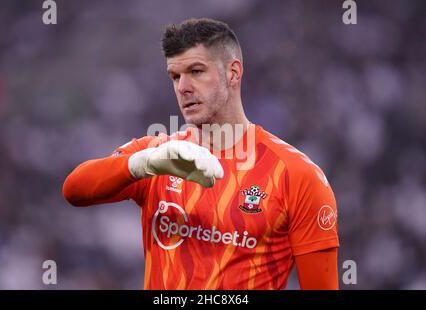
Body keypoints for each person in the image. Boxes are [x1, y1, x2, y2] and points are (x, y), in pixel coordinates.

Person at [62, 18, 339, 290]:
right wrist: (141, 164)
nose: (183, 87)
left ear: (233, 73)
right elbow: (74, 190)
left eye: (196, 71)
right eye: (175, 76)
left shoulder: (297, 175)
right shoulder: (159, 157)